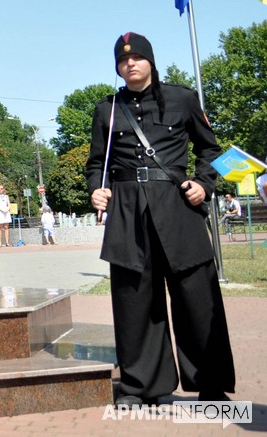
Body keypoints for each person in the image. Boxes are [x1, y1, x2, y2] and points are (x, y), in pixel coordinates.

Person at [87, 32, 236, 405]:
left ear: (150, 61)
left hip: (177, 207)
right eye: (123, 60)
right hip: (127, 214)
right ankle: (140, 386)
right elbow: (96, 163)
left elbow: (210, 149)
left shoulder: (182, 98)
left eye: (137, 57)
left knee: (197, 300)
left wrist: (204, 184)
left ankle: (211, 384)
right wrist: (96, 189)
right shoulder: (107, 109)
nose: (130, 64)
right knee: (134, 305)